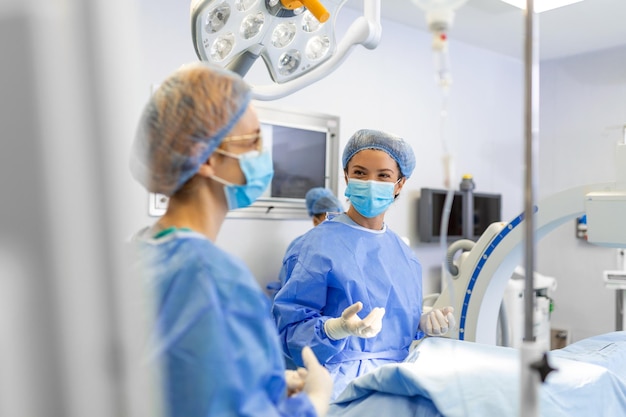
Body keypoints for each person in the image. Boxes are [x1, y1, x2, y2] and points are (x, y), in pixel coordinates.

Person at [128, 61, 332, 417]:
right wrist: (313, 402)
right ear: (204, 158)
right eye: (252, 141)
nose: (262, 155)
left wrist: (261, 382)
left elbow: (177, 382)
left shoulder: (139, 252)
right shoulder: (213, 280)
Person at [271, 129, 456, 400]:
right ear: (346, 176)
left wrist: (422, 321)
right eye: (359, 173)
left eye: (383, 175)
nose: (370, 182)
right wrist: (335, 329)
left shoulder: (405, 255)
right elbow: (290, 331)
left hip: (398, 381)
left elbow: (396, 320)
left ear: (400, 183)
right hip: (337, 389)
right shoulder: (315, 246)